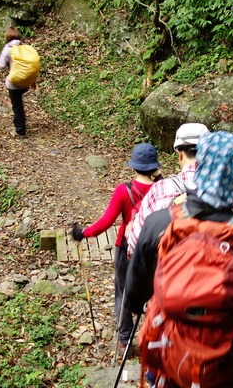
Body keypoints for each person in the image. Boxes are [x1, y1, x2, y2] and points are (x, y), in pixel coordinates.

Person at [125, 131, 233, 388]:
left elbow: (133, 297)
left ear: (199, 164)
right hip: (223, 365)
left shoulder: (158, 224)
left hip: (167, 354)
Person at [70, 143, 162, 355]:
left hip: (127, 249)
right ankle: (153, 338)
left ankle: (124, 342)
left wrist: (83, 233)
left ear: (134, 166)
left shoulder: (124, 191)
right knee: (154, 293)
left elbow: (106, 222)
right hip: (154, 250)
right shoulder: (163, 187)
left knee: (123, 292)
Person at [126, 123, 233, 259]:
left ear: (179, 155)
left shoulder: (160, 190)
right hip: (222, 275)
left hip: (170, 274)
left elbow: (135, 246)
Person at [0, 27, 33, 137]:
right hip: (26, 81)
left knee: (17, 105)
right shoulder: (25, 47)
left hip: (14, 82)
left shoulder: (8, 49)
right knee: (19, 102)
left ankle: (20, 130)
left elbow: (2, 65)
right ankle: (21, 124)